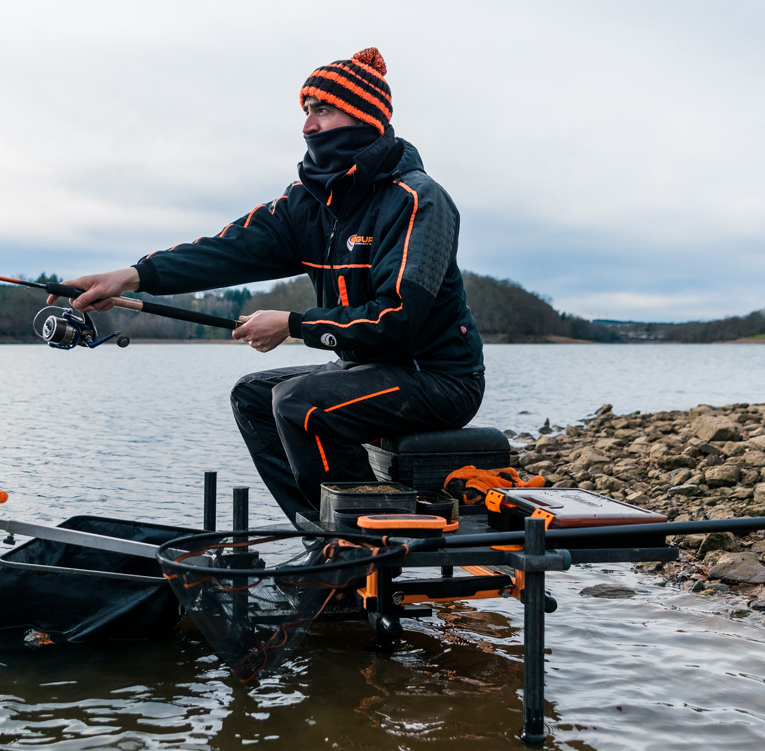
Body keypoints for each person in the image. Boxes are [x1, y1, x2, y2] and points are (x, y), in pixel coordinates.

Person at [51, 47, 485, 523]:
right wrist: (131, 277)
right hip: (367, 371)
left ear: (363, 115)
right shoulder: (308, 205)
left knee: (298, 401)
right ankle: (318, 530)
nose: (308, 126)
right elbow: (227, 249)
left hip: (439, 379)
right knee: (253, 395)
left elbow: (395, 318)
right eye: (306, 112)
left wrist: (294, 324)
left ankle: (355, 542)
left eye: (322, 109)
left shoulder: (418, 199)